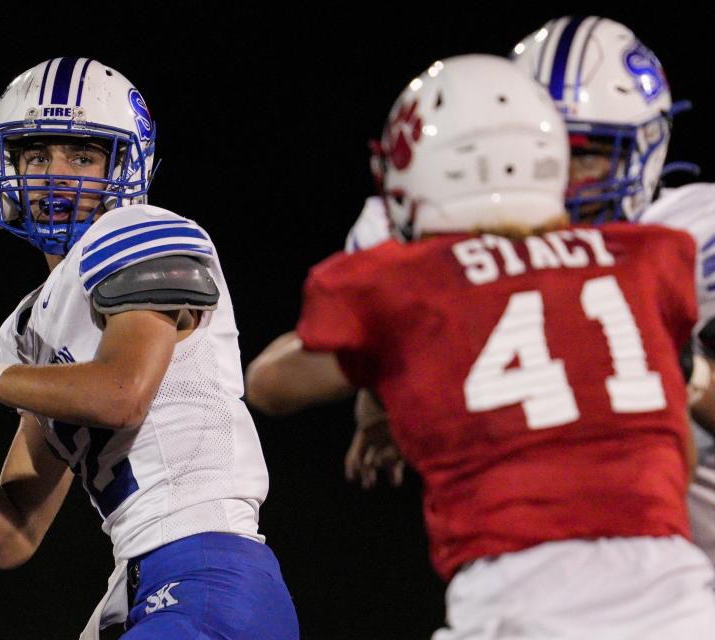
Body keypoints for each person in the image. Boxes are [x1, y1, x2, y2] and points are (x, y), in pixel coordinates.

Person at [246, 54, 715, 637]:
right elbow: (681, 459)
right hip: (680, 601)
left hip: (522, 604)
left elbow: (268, 385)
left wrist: (383, 363)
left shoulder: (410, 281)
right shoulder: (641, 259)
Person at [0, 57, 298, 640]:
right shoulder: (23, 334)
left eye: (82, 156)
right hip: (136, 583)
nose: (55, 175)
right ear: (10, 167)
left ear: (122, 167)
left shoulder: (140, 231)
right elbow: (11, 536)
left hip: (206, 570)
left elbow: (122, 395)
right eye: (37, 155)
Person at [510, 14, 715, 566]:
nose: (559, 177)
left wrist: (682, 363)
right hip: (580, 578)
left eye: (584, 153)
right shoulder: (488, 248)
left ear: (644, 150)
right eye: (539, 150)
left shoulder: (695, 234)